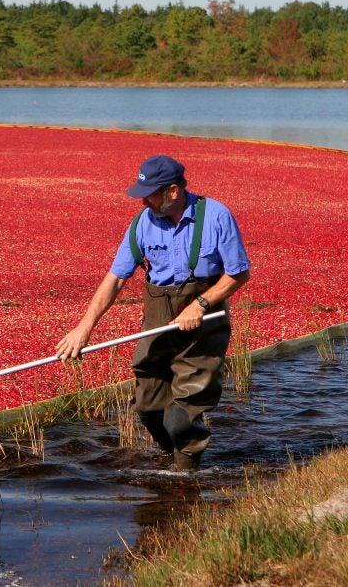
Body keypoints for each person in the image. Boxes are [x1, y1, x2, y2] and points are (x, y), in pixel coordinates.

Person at [55, 155, 251, 471]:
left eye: (150, 193)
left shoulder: (216, 216)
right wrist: (84, 328)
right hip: (159, 322)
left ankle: (185, 481)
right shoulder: (142, 224)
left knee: (180, 417)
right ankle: (174, 461)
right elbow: (116, 278)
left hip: (203, 327)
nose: (144, 200)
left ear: (173, 191)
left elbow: (238, 273)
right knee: (148, 408)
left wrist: (200, 305)